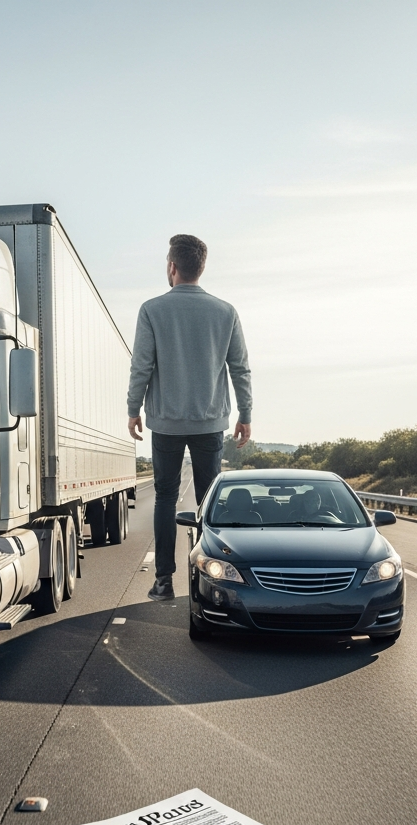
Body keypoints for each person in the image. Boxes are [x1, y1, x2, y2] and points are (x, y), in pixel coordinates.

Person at [127, 234, 253, 601]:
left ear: (172, 267)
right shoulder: (225, 311)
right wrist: (245, 413)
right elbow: (240, 369)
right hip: (210, 422)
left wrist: (133, 409)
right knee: (207, 501)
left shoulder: (151, 310)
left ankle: (163, 581)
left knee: (165, 498)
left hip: (165, 423)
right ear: (201, 267)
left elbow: (141, 367)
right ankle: (207, 581)